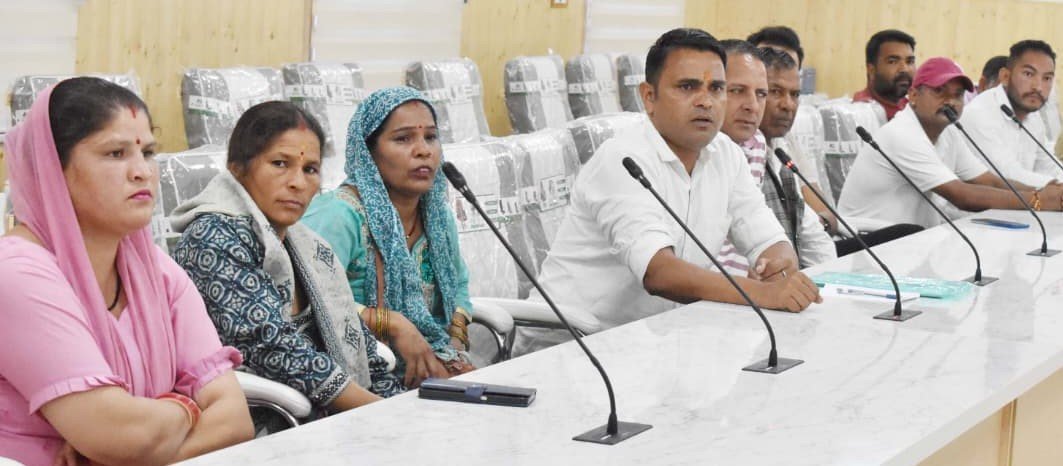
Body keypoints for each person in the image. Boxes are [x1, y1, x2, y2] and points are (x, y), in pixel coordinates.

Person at [518, 28, 821, 354]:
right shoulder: (623, 158)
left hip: (656, 343)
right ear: (649, 97)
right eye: (688, 86)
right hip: (569, 346)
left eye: (716, 88)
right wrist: (762, 293)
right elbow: (660, 273)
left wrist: (779, 269)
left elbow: (770, 240)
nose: (705, 100)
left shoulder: (726, 154)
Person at [0, 77, 253, 466]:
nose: (142, 172)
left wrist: (128, 450)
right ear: (52, 169)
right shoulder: (16, 276)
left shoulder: (157, 272)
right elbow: (118, 434)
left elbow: (235, 420)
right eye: (115, 153)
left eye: (148, 152)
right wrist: (185, 406)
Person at [171, 101, 404, 428]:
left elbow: (361, 347)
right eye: (280, 163)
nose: (298, 182)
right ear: (238, 169)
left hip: (331, 418)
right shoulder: (213, 236)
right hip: (258, 425)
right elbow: (272, 348)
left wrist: (401, 408)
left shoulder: (307, 246)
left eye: (310, 169)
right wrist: (382, 414)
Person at [302, 87, 476, 387]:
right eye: (403, 139)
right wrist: (390, 324)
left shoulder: (437, 216)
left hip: (429, 365)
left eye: (430, 137)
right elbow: (306, 301)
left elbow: (459, 284)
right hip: (349, 376)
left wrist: (454, 343)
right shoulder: (339, 216)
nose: (423, 150)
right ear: (368, 152)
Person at [839, 58, 1063, 228]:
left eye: (958, 95)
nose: (951, 102)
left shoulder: (948, 131)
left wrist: (1046, 191)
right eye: (939, 91)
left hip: (909, 241)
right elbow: (962, 196)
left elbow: (989, 181)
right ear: (914, 96)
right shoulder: (902, 134)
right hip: (870, 242)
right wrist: (1038, 200)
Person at [760, 47, 923, 254]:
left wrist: (822, 227)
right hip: (783, 258)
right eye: (775, 92)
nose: (788, 105)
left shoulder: (784, 141)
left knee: (910, 235)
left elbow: (823, 213)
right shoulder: (742, 151)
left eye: (795, 95)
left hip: (810, 245)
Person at [716, 40, 835, 275]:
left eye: (761, 94)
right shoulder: (712, 151)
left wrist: (826, 281)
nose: (788, 105)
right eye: (775, 92)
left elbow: (813, 234)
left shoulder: (763, 148)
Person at [960, 40, 1063, 188]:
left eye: (1047, 78)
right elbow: (1007, 176)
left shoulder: (1033, 116)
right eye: (1028, 74)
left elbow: (1049, 165)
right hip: (976, 203)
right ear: (1005, 76)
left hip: (1020, 201)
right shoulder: (979, 114)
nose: (1038, 87)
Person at [853, 29, 917, 121]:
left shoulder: (913, 106)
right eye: (892, 62)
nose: (904, 69)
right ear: (871, 70)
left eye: (909, 61)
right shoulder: (861, 114)